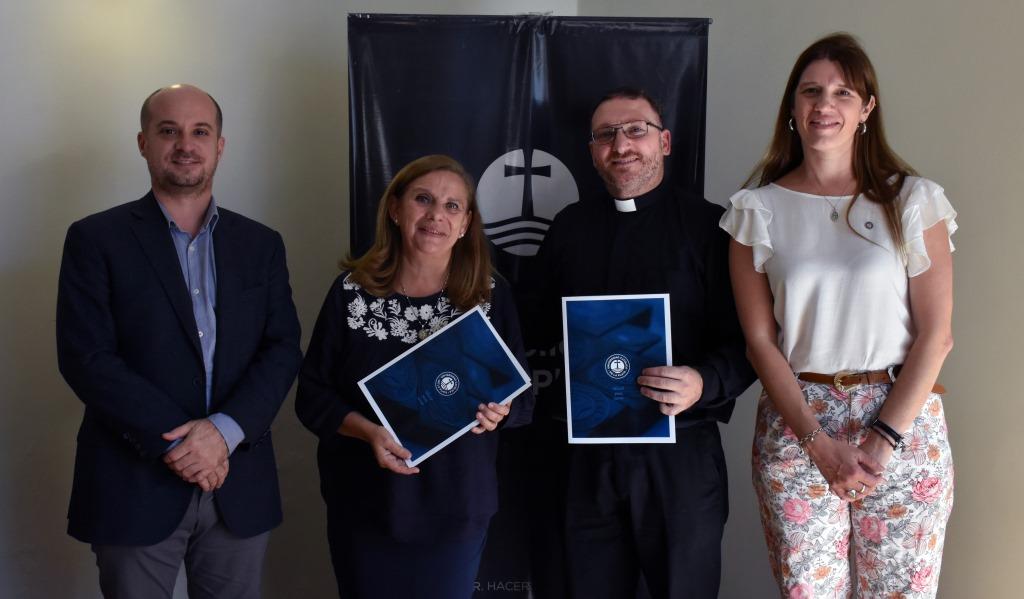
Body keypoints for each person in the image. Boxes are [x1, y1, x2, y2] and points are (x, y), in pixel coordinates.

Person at [721, 33, 956, 597]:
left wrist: (882, 438)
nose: (824, 104)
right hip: (800, 424)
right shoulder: (756, 210)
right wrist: (817, 443)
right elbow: (760, 343)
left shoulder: (912, 201)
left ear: (866, 109)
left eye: (843, 92)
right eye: (811, 91)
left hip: (902, 420)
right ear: (793, 108)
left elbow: (936, 336)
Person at [56, 84, 302, 598]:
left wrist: (223, 433)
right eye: (168, 131)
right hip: (134, 479)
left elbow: (282, 348)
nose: (185, 144)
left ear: (220, 145)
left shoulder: (261, 245)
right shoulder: (95, 239)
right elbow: (87, 358)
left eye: (200, 132)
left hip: (238, 481)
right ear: (143, 142)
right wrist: (187, 443)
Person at [528, 87, 755, 598]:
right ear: (592, 151)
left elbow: (751, 342)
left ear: (665, 141)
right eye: (606, 134)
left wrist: (703, 381)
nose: (621, 144)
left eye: (636, 130)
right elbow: (528, 326)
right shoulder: (569, 229)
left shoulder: (711, 228)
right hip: (586, 459)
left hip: (680, 458)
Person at [295, 154, 534, 599]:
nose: (435, 216)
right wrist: (367, 431)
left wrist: (500, 412)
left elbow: (524, 400)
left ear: (465, 225)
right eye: (423, 200)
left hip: (456, 508)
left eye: (452, 206)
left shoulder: (490, 297)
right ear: (395, 208)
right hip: (365, 505)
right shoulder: (350, 294)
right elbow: (311, 396)